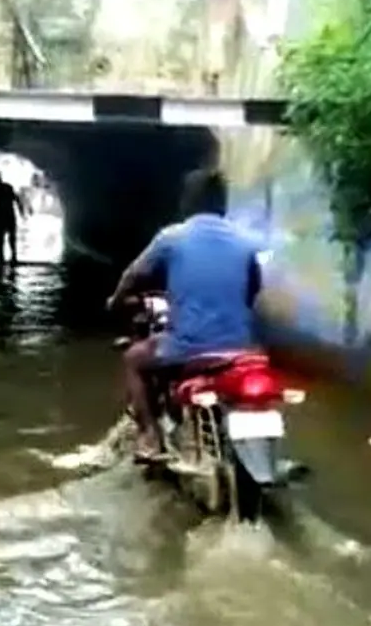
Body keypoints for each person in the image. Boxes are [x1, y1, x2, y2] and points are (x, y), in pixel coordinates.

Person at [105, 168, 264, 460]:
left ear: (187, 202)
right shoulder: (245, 240)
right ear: (223, 203)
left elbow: (134, 275)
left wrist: (116, 301)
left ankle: (150, 435)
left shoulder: (172, 238)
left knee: (133, 360)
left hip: (188, 346)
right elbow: (254, 288)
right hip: (240, 349)